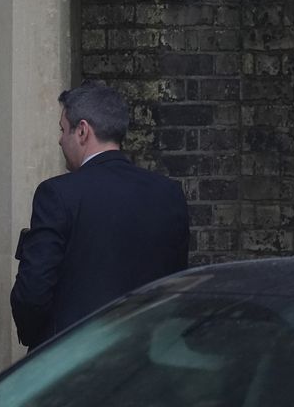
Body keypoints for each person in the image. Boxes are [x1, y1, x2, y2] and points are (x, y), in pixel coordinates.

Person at [10, 81, 190, 350]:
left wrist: (38, 342)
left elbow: (33, 293)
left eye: (63, 129)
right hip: (147, 356)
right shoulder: (169, 194)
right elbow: (176, 287)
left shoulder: (57, 194)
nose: (60, 139)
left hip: (73, 360)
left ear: (82, 131)